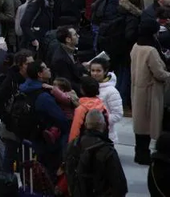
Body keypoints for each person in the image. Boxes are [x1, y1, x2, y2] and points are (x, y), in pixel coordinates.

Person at [64, 109, 128, 197]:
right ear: (104, 126)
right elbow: (120, 186)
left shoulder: (73, 146)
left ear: (86, 125)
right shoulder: (107, 151)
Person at [132, 28, 170, 164]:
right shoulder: (151, 51)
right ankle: (144, 155)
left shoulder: (136, 46)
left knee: (140, 125)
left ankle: (139, 153)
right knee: (147, 125)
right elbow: (159, 73)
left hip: (138, 90)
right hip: (150, 92)